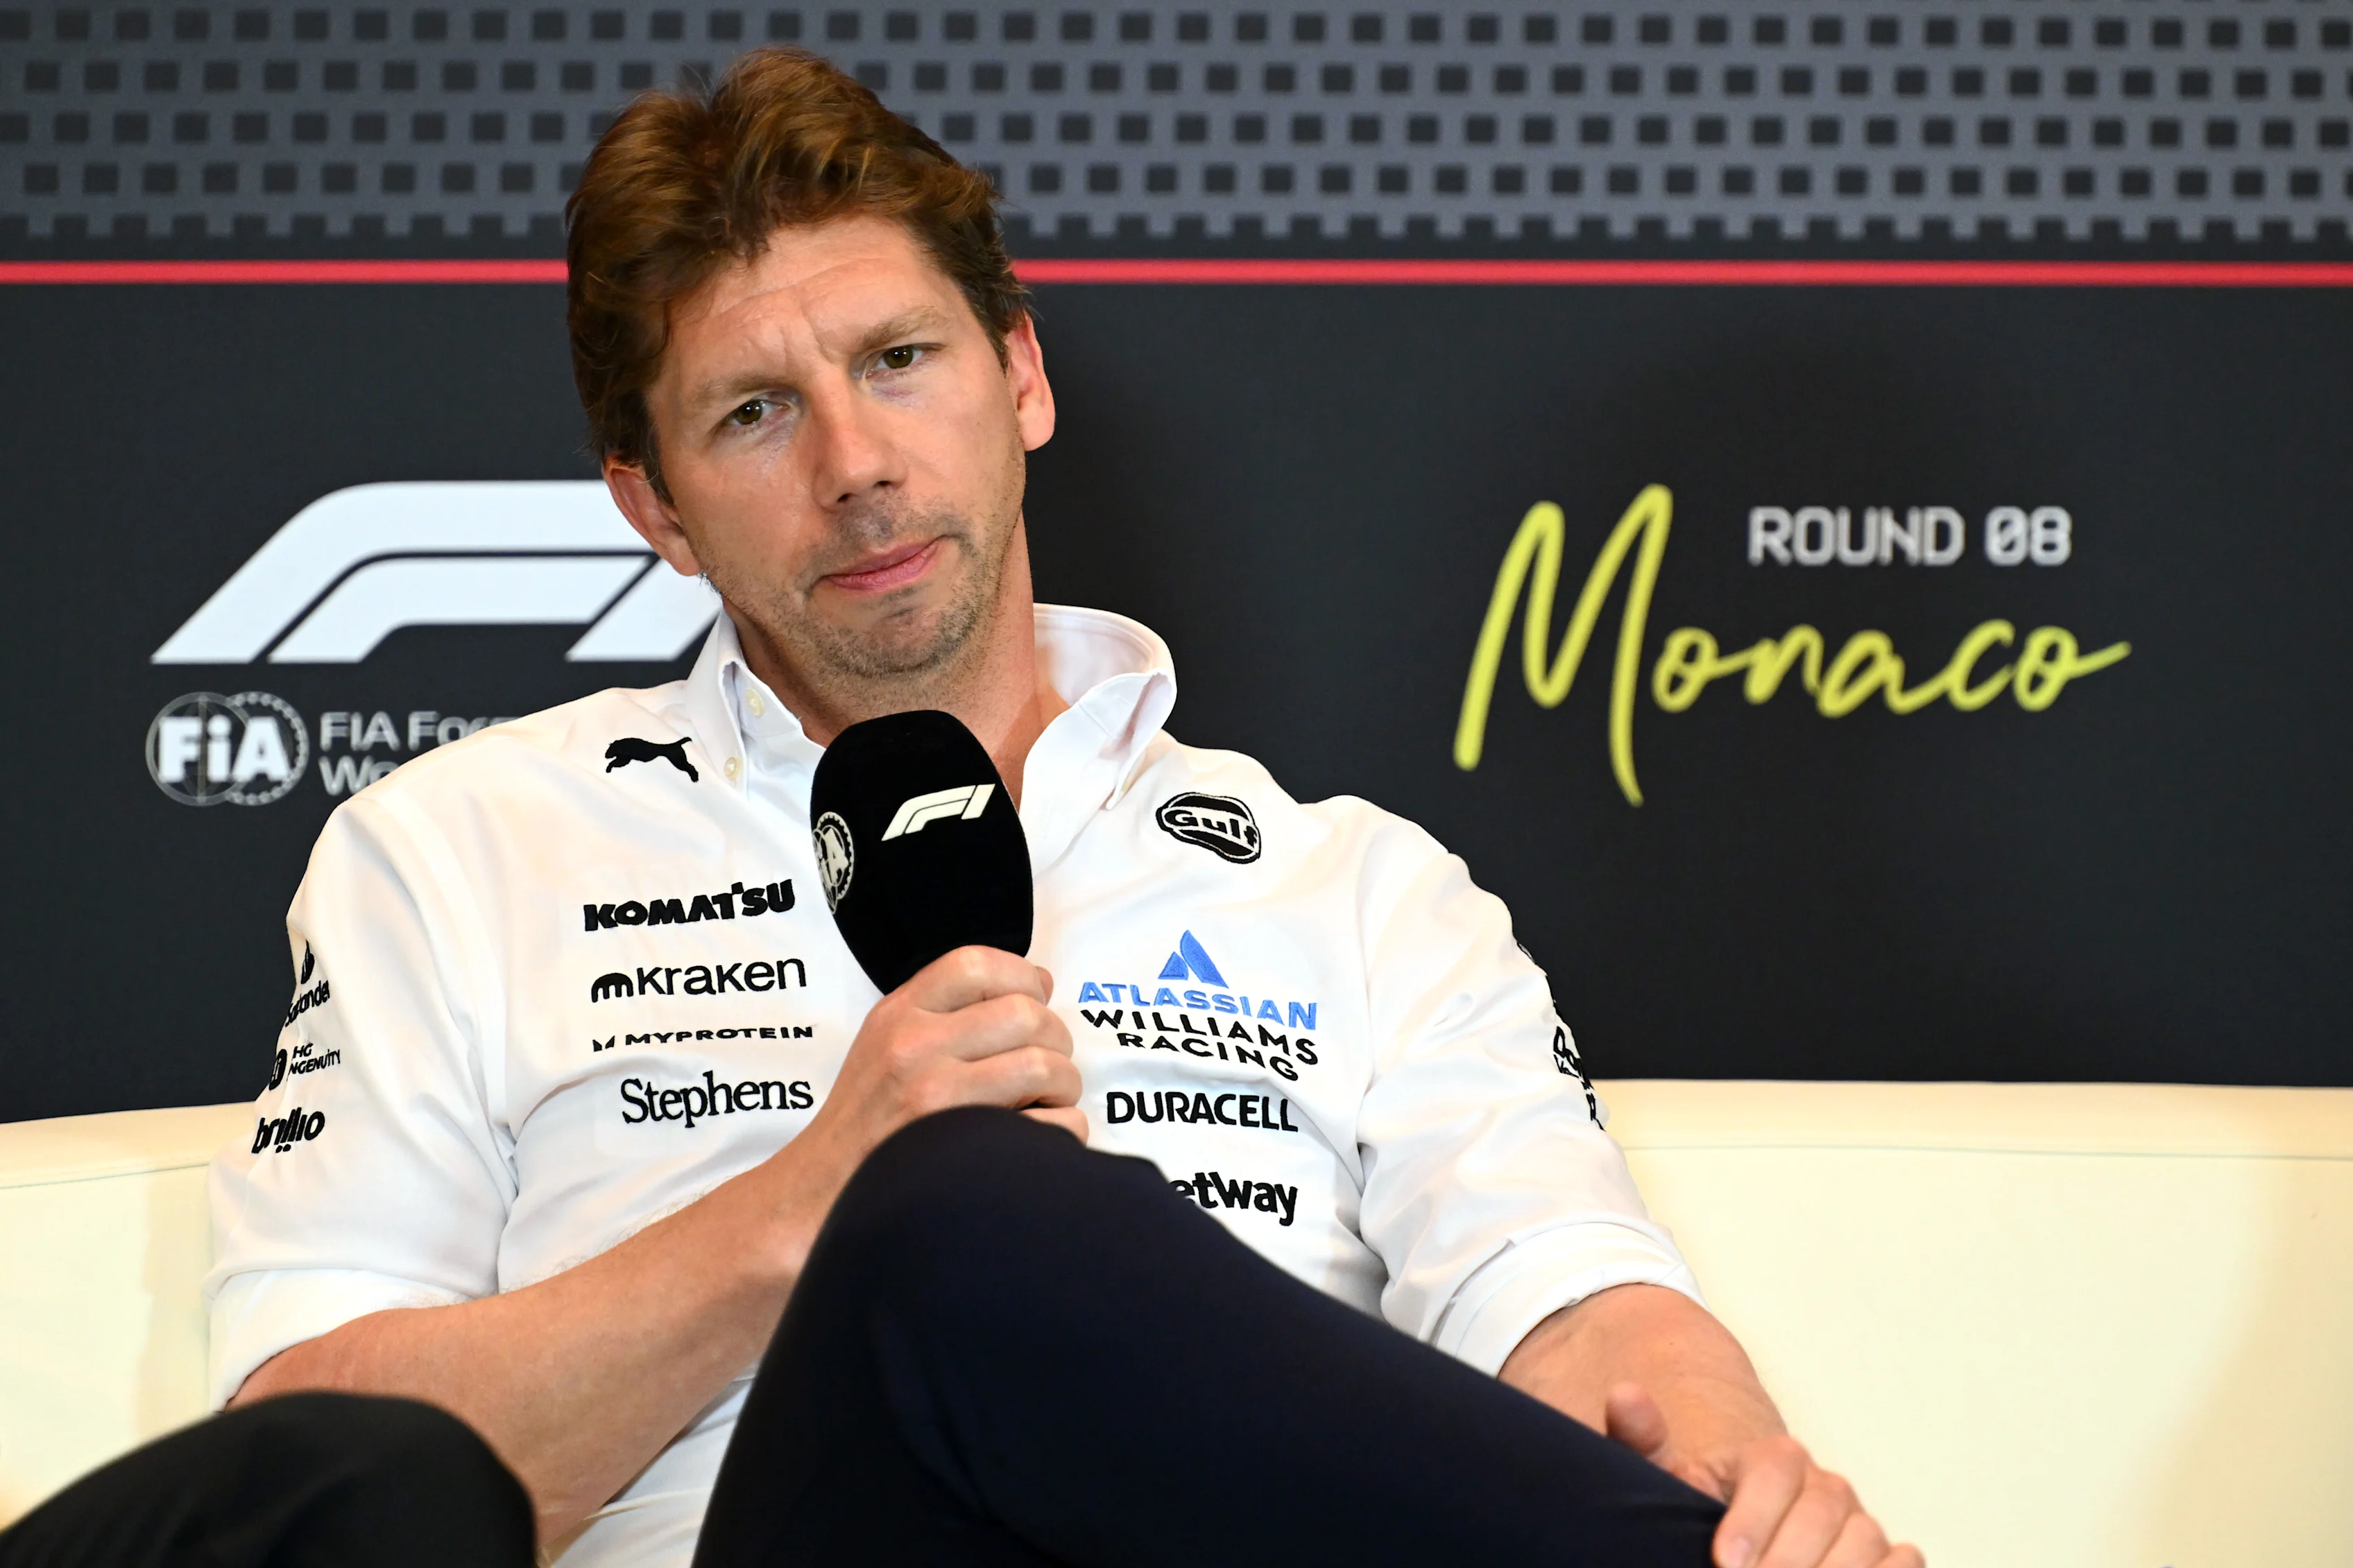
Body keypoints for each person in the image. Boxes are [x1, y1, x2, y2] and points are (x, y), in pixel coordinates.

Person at [172, 48, 1914, 1568]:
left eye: (902, 360)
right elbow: (316, 1489)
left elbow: (1578, 1299)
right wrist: (807, 1207)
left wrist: (1735, 1483)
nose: (854, 463)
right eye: (756, 410)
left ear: (1022, 376)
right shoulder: (459, 850)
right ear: (657, 508)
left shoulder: (1362, 889)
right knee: (959, 1209)